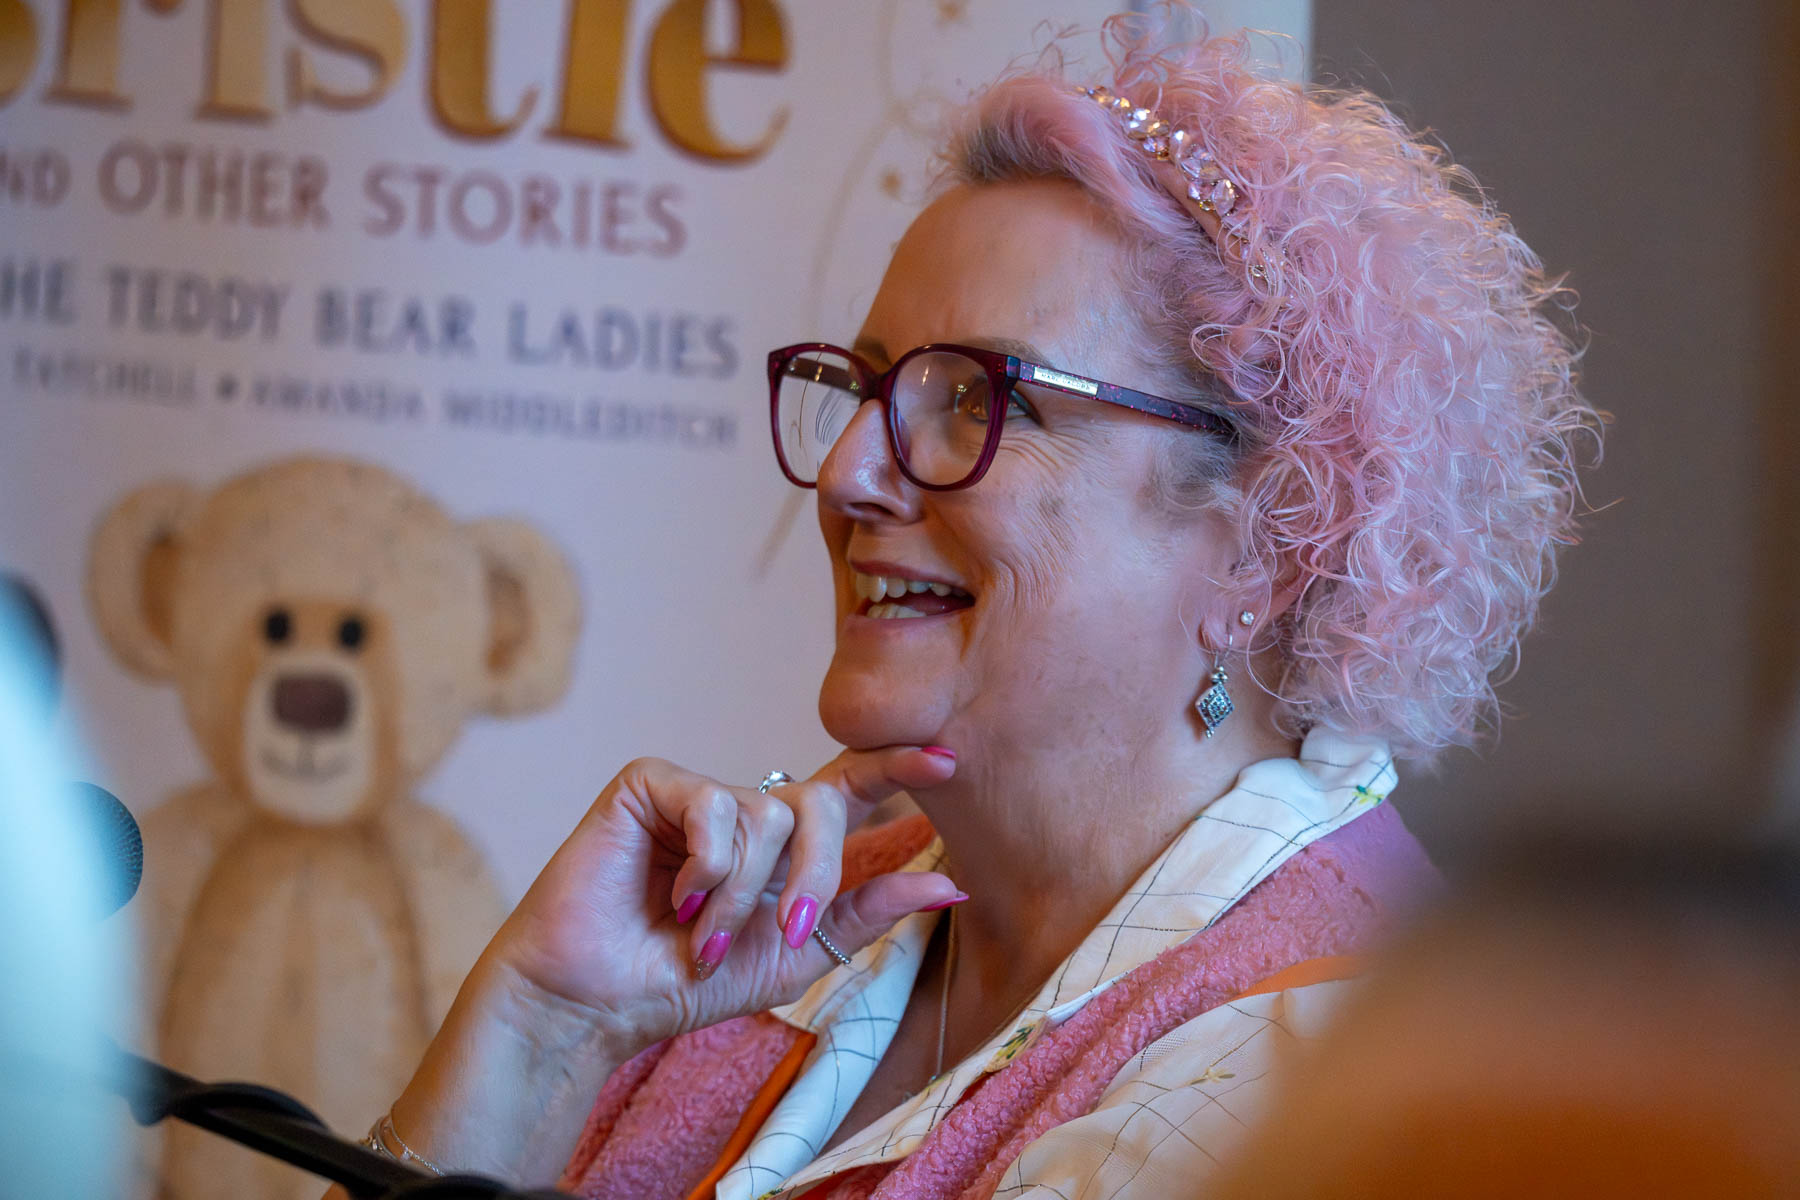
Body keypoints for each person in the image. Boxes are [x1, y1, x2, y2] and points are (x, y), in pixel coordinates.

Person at [342, 15, 1599, 1200]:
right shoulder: (810, 918)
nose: (847, 474)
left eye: (978, 400)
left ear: (1261, 547)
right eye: (869, 389)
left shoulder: (1296, 1072)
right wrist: (546, 1029)